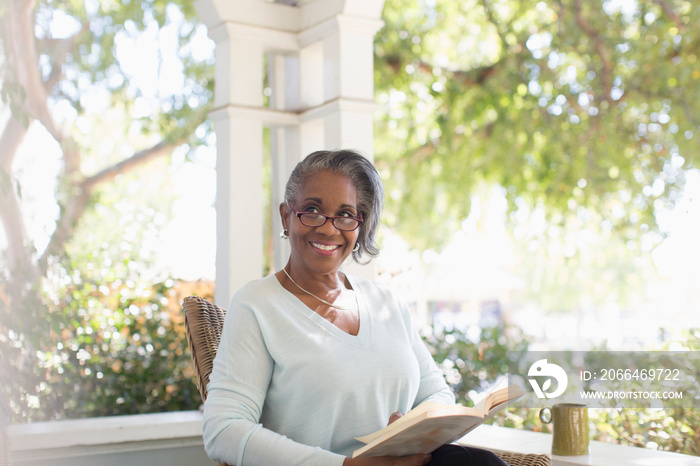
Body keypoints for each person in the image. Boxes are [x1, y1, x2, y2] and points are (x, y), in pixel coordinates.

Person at [202, 150, 507, 466]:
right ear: (285, 216)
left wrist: (406, 431)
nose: (329, 229)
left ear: (359, 225)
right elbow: (224, 430)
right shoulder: (258, 304)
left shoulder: (386, 302)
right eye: (312, 211)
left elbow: (438, 395)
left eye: (345, 214)